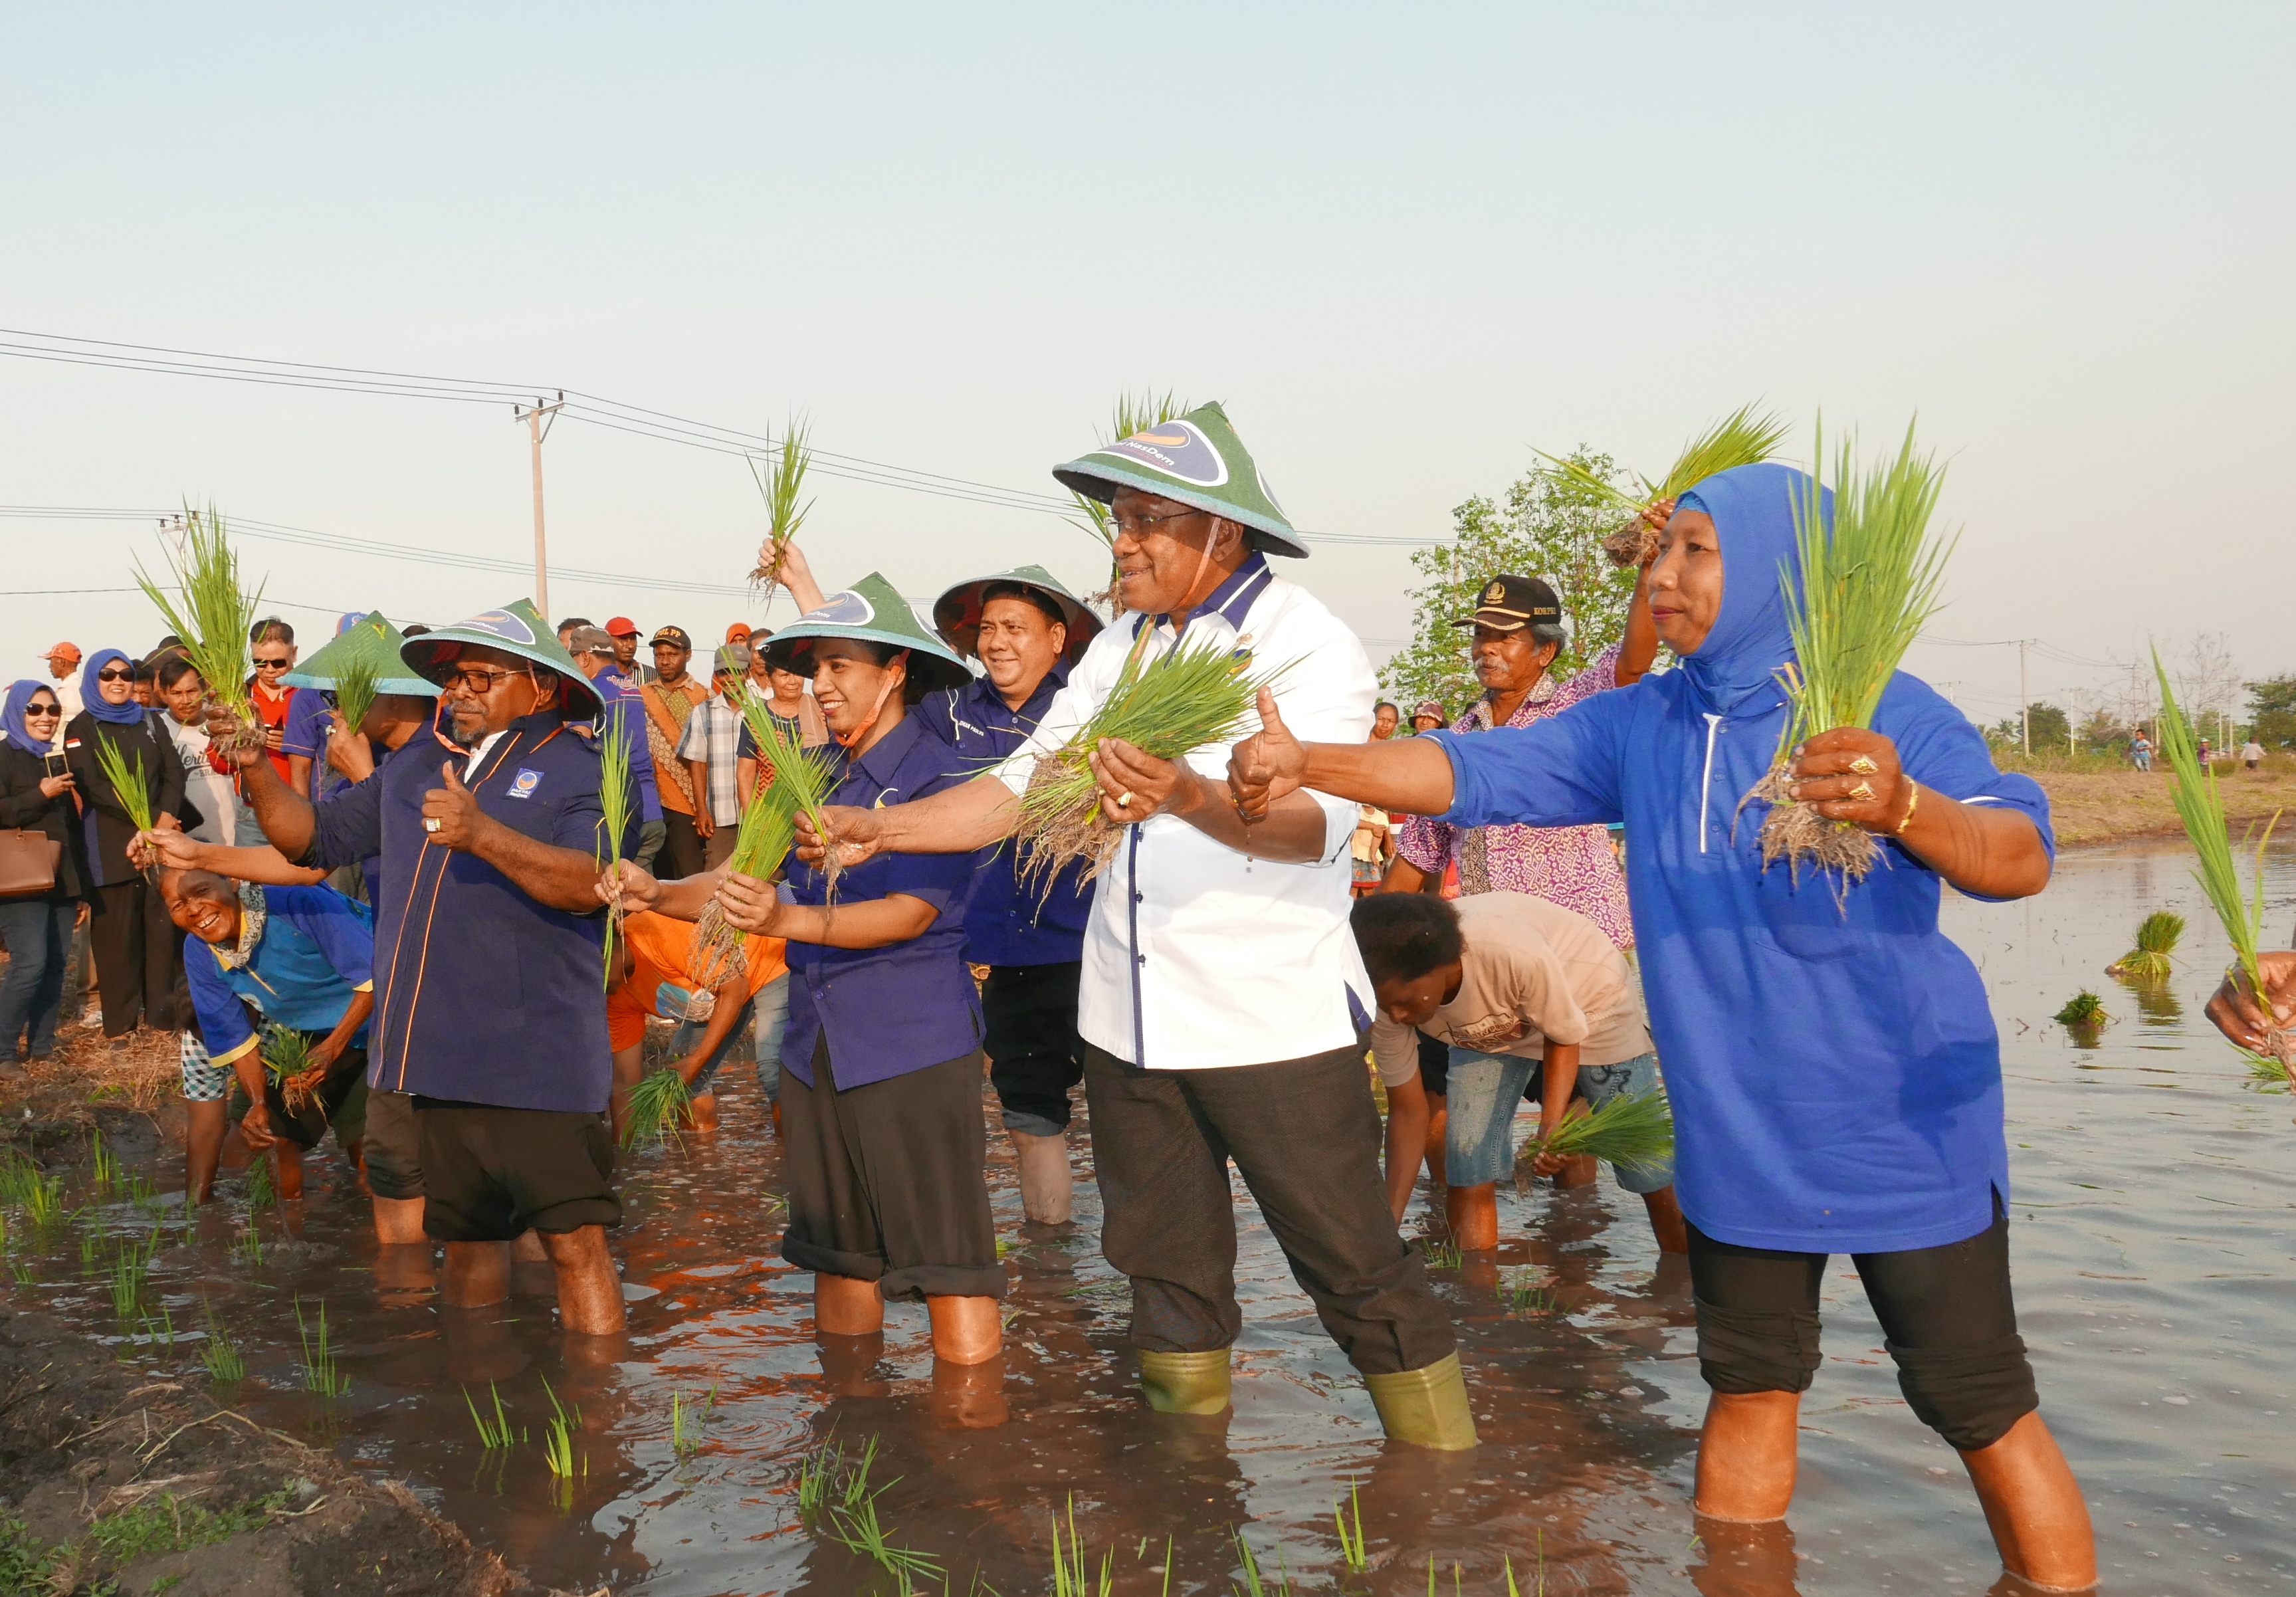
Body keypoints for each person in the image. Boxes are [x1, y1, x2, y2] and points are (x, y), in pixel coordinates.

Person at [1225, 462, 2093, 1586]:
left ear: (1781, 568)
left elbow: (2018, 857)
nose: (1665, 574)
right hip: (1738, 1125)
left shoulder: (1882, 709)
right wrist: (1312, 760)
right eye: (1662, 549)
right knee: (1747, 1380)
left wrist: (1902, 806)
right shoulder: (1647, 723)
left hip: (1900, 1119)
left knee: (1974, 1398)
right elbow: (1466, 768)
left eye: (1698, 549)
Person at [797, 405, 1469, 1447]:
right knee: (1161, 1270)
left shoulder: (1300, 641)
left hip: (1268, 1021)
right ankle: (1186, 1493)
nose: (1123, 540)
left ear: (1222, 530)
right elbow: (1020, 785)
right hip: (1127, 1022)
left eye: (1150, 518)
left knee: (1352, 1260)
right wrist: (880, 828)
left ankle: (1442, 1495)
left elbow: (1310, 831)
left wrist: (1188, 796)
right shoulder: (1118, 649)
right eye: (1118, 516)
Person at [202, 599, 629, 1337]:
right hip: (437, 1052)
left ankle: (599, 1421)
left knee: (573, 1243)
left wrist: (485, 834)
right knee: (464, 1244)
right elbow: (315, 839)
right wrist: (253, 769)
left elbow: (594, 883)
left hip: (534, 1056)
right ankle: (474, 1401)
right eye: (452, 678)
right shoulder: (417, 764)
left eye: (480, 677)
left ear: (539, 684)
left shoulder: (574, 765)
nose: (459, 691)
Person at [617, 573, 1001, 1367]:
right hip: (817, 1045)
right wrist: (658, 889)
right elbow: (741, 879)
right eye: (812, 667)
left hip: (909, 1047)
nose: (818, 685)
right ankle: (849, 1429)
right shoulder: (812, 772)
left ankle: (970, 1454)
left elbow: (910, 912)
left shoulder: (940, 773)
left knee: (947, 1266)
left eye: (839, 666)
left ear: (895, 670)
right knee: (837, 1256)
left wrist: (787, 920)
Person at [918, 563, 1104, 1225]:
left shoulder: (1093, 707)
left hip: (1097, 945)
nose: (996, 641)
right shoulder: (952, 715)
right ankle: (1051, 1264)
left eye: (1014, 628)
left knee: (1127, 1119)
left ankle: (1142, 1274)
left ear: (1057, 638)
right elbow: (871, 674)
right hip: (1005, 952)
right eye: (987, 628)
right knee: (1029, 1117)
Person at [1352, 892, 1687, 1253]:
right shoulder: (1386, 1009)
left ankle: (1685, 1279)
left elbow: (1562, 1038)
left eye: (1403, 1002)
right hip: (1487, 1028)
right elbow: (1408, 1112)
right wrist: (1388, 1227)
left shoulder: (1510, 954)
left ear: (1440, 968)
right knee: (1468, 1163)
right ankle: (1479, 1298)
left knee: (1648, 1167)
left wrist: (1549, 1129)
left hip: (1591, 1003)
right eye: (1388, 1007)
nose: (1398, 1016)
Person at [163, 867, 374, 1207]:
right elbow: (235, 1041)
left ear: (232, 880)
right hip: (316, 1035)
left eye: (202, 891)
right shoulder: (199, 950)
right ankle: (291, 1239)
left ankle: (392, 1250)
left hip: (387, 1018)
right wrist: (259, 1104)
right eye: (177, 905)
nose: (193, 910)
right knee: (277, 1134)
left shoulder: (293, 901)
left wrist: (332, 1049)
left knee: (379, 1162)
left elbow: (378, 973)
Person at [62, 648, 193, 1038]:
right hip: (111, 847)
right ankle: (120, 1026)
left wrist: (165, 818)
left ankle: (162, 1018)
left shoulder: (151, 722)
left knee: (161, 933)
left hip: (159, 844)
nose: (117, 681)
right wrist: (149, 819)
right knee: (116, 941)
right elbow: (94, 787)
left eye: (123, 674)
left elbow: (174, 770)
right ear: (93, 680)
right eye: (107, 675)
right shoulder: (80, 729)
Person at [605, 907, 785, 1136]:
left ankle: (790, 1156)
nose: (588, 989)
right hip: (723, 991)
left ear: (607, 949)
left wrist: (699, 1059)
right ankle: (701, 1155)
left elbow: (735, 987)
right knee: (681, 1068)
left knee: (773, 1069)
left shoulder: (658, 932)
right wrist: (625, 1157)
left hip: (769, 962)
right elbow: (624, 1080)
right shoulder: (611, 992)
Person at [0, 681, 88, 1065]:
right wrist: (41, 794)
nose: (46, 717)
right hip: (21, 880)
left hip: (62, 877)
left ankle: (41, 1046)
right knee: (30, 964)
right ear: (17, 712)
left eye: (52, 710)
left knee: (55, 964)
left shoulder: (55, 759)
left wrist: (81, 888)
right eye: (35, 710)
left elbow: (72, 828)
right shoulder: (3, 756)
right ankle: (3, 1050)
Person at [568, 625, 666, 873]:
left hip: (618, 812)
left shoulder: (592, 693)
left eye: (574, 660)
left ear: (585, 657)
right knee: (643, 899)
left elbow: (579, 741)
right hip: (651, 812)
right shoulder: (631, 688)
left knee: (613, 897)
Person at [639, 625, 709, 879]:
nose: (665, 661)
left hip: (688, 806)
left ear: (687, 655)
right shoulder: (642, 695)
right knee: (653, 880)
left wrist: (704, 808)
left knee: (688, 877)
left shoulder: (703, 696)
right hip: (650, 804)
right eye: (659, 655)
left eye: (672, 654)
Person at [156, 657, 243, 848]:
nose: (186, 701)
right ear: (163, 694)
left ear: (203, 688)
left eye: (192, 691)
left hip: (233, 840)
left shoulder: (224, 724)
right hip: (184, 844)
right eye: (177, 693)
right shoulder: (156, 731)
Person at [679, 644, 750, 871]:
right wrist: (702, 810)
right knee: (717, 882)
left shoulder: (762, 711)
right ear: (716, 676)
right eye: (723, 672)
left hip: (757, 815)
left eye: (736, 671)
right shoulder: (703, 712)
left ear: (748, 673)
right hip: (720, 817)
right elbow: (697, 764)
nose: (730, 678)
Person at [246, 619, 324, 792]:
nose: (270, 669)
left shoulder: (312, 695)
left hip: (299, 799)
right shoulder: (241, 697)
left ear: (294, 653)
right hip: (250, 806)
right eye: (260, 663)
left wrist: (295, 742)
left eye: (278, 662)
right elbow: (217, 761)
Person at [38, 644, 84, 747]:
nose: (50, 666)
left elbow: (74, 727)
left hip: (68, 754)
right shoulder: (72, 685)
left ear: (61, 662)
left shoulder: (72, 688)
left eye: (51, 661)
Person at [603, 617, 657, 685]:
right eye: (623, 639)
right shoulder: (595, 673)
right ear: (607, 640)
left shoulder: (650, 675)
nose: (630, 646)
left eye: (633, 639)